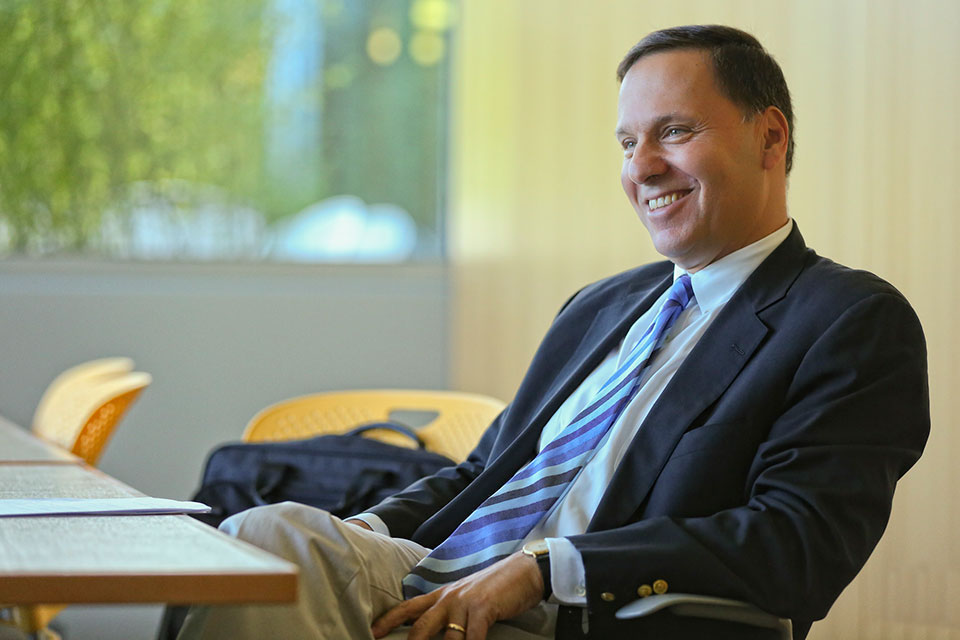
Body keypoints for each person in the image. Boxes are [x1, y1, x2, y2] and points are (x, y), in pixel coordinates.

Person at [178, 24, 929, 640]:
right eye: (629, 143)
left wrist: (550, 567)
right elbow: (482, 475)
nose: (646, 167)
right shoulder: (602, 306)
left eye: (675, 131)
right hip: (441, 571)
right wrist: (355, 539)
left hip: (579, 614)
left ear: (769, 138)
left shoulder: (847, 321)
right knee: (265, 536)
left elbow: (796, 546)